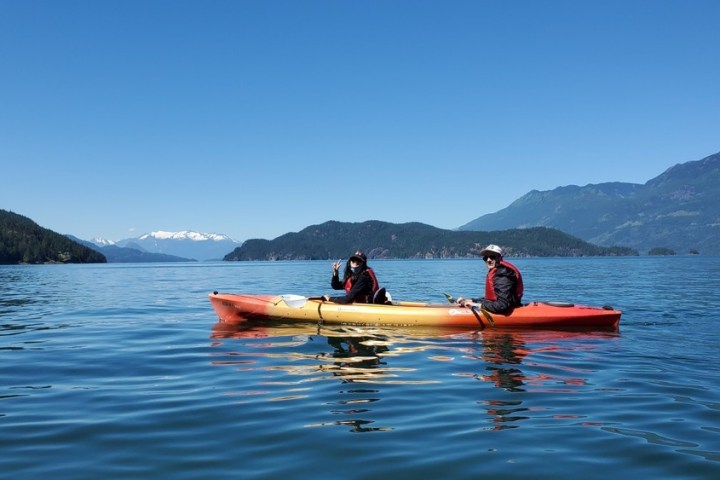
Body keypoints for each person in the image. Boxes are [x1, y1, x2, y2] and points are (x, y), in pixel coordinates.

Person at [456, 244, 524, 314]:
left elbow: (502, 305)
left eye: (492, 257)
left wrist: (477, 305)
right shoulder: (497, 271)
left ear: (500, 258)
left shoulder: (503, 274)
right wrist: (472, 300)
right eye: (485, 258)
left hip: (508, 311)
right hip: (502, 306)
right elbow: (492, 299)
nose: (488, 260)